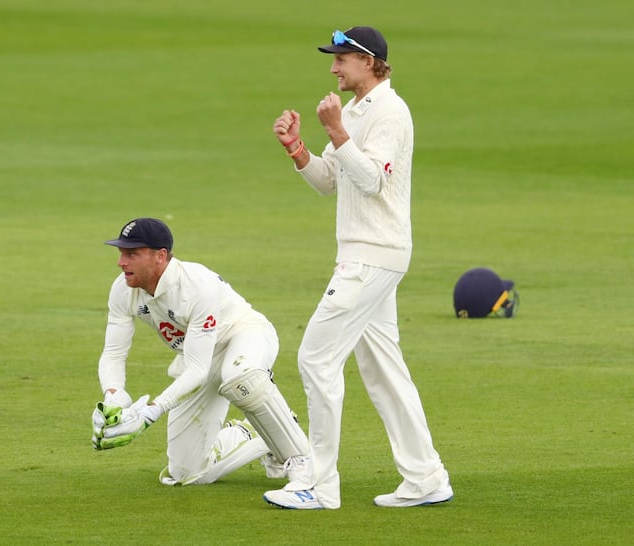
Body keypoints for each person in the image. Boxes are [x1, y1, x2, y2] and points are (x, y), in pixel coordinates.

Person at [263, 26, 453, 509]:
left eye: (342, 58)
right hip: (364, 252)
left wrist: (336, 132)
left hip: (373, 254)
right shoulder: (353, 111)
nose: (333, 68)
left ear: (369, 61)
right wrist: (297, 147)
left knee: (316, 358)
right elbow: (331, 181)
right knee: (383, 369)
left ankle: (320, 486)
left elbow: (370, 182)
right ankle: (427, 477)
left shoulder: (390, 111)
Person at [91, 217, 311, 497]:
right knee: (187, 473)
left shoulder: (196, 285)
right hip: (197, 353)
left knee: (240, 377)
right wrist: (113, 396)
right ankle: (255, 433)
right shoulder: (123, 290)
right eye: (121, 253)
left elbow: (196, 369)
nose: (122, 262)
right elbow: (113, 353)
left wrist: (150, 412)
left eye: (132, 254)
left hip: (244, 336)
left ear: (160, 256)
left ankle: (303, 461)